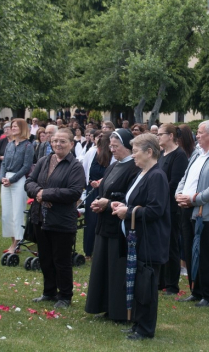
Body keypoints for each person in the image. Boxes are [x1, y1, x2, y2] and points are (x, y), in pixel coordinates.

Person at [111, 133, 171, 340]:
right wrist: (122, 205)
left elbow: (156, 210)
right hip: (138, 239)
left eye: (136, 151)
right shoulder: (142, 173)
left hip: (150, 240)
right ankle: (138, 323)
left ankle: (146, 329)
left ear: (149, 152)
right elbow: (137, 201)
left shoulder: (156, 176)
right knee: (138, 283)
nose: (133, 155)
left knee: (147, 285)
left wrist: (127, 212)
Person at [25, 128, 85, 308]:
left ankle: (65, 296)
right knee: (45, 258)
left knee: (62, 260)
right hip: (40, 218)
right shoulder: (44, 160)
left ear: (71, 144)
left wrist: (47, 194)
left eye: (63, 141)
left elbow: (74, 192)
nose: (58, 144)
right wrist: (39, 193)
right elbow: (29, 182)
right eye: (55, 141)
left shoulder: (75, 166)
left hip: (61, 220)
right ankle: (48, 292)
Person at [85, 129, 140, 321]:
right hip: (105, 224)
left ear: (127, 146)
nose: (112, 149)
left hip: (119, 227)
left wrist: (106, 204)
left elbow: (129, 197)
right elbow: (105, 190)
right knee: (103, 268)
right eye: (111, 146)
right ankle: (105, 306)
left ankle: (118, 311)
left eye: (116, 146)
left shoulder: (134, 168)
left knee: (116, 270)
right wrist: (99, 202)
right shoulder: (113, 165)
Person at [175, 120, 209, 307]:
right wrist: (179, 194)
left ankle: (208, 294)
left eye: (199, 132)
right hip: (188, 208)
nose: (196, 135)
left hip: (206, 212)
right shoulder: (197, 154)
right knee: (190, 250)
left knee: (206, 253)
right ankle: (195, 290)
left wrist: (194, 199)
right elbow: (186, 177)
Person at [156, 124, 189, 295]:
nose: (158, 137)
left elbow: (174, 183)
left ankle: (171, 284)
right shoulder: (162, 154)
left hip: (171, 207)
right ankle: (161, 280)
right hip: (160, 205)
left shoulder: (179, 155)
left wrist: (157, 194)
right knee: (161, 244)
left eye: (160, 134)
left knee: (171, 245)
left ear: (170, 136)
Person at [0, 119, 34, 254]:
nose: (13, 128)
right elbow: (2, 163)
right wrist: (2, 177)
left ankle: (16, 243)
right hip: (6, 178)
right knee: (7, 213)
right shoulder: (10, 145)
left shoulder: (28, 146)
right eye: (12, 126)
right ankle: (12, 241)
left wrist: (12, 179)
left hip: (18, 180)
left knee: (17, 212)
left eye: (15, 126)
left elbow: (26, 166)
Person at [83, 132, 113, 259]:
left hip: (106, 191)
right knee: (91, 221)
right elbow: (85, 168)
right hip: (93, 190)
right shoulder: (91, 152)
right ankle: (88, 251)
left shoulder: (113, 157)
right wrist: (88, 184)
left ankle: (100, 250)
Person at [0, 123, 12, 191]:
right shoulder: (2, 141)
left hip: (12, 165)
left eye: (8, 129)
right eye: (5, 129)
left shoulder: (15, 142)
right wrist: (0, 157)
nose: (6, 131)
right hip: (2, 162)